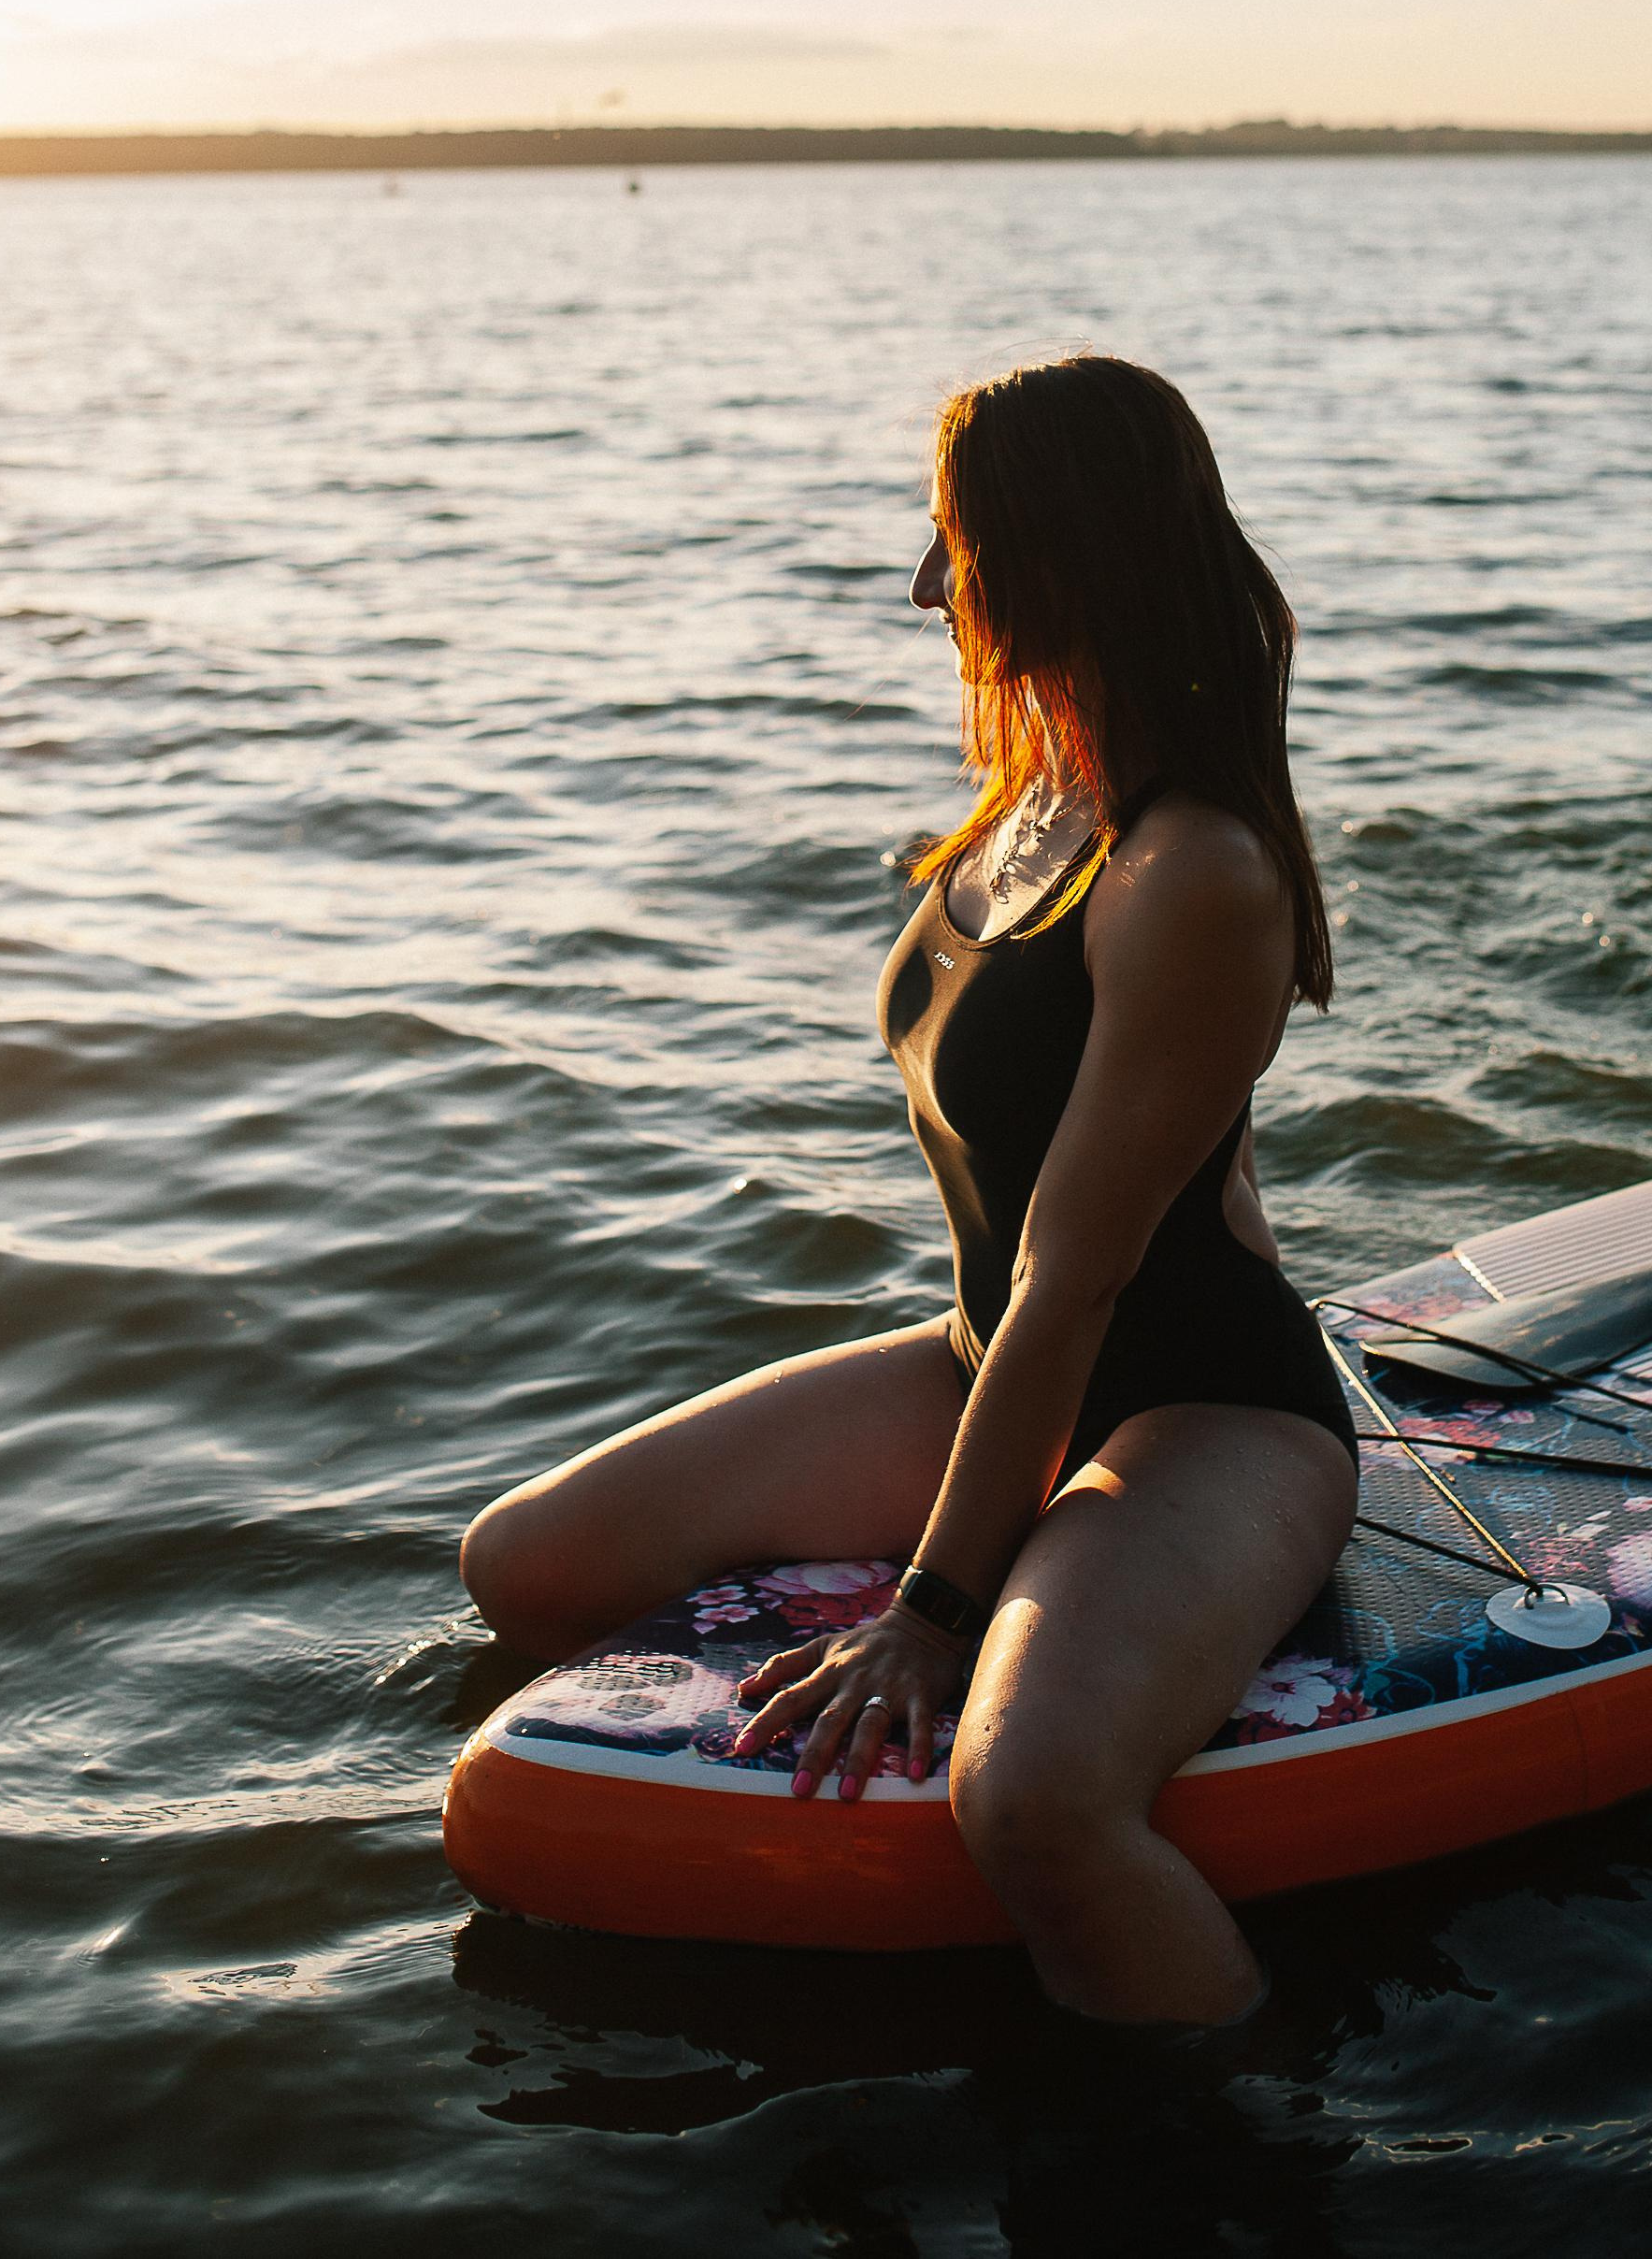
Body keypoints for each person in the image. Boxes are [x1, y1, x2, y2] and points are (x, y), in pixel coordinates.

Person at [458, 353, 1358, 2024]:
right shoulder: (1034, 803)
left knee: (1031, 1805)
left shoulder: (1191, 869)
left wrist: (937, 1612)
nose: (927, 584)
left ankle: (1241, 2155)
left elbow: (1079, 1284)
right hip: (984, 1360)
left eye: (955, 541)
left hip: (1200, 1416)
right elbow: (1157, 1156)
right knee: (525, 1566)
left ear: (1054, 553)